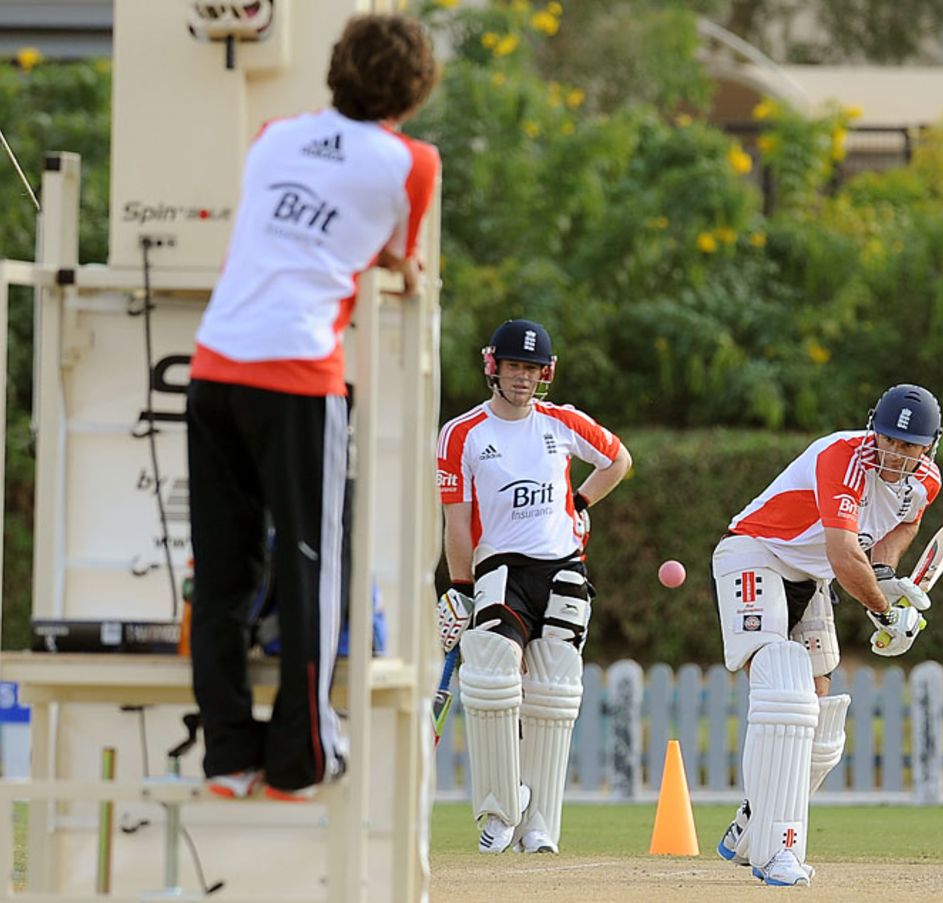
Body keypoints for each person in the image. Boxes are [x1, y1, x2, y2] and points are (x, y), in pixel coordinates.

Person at [186, 12, 440, 800]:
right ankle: (300, 758)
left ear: (335, 69)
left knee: (222, 572)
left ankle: (228, 755)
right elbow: (398, 254)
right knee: (311, 567)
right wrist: (402, 264)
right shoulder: (412, 163)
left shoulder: (272, 135)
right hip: (296, 374)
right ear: (415, 91)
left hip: (212, 363)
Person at [713, 384, 942, 887]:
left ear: (929, 446)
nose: (897, 454)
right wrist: (884, 612)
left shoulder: (927, 482)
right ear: (873, 430)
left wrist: (885, 578)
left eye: (910, 446)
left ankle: (756, 817)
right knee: (783, 689)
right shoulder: (841, 457)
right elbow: (843, 555)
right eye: (889, 440)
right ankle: (777, 853)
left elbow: (894, 536)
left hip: (808, 578)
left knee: (819, 718)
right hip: (756, 553)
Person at [435, 319, 632, 854]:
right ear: (491, 365)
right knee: (493, 678)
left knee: (553, 692)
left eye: (532, 368)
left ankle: (540, 822)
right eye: (514, 366)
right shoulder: (462, 433)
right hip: (499, 567)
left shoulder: (562, 421)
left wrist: (581, 504)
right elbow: (456, 521)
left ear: (546, 373)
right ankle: (501, 809)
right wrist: (458, 586)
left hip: (563, 567)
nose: (522, 378)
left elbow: (619, 459)